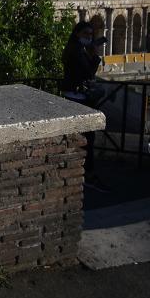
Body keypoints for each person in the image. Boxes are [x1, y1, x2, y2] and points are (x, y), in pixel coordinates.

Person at [61, 20, 110, 193]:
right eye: (86, 35)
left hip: (72, 95)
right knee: (88, 137)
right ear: (77, 34)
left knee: (81, 137)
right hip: (77, 97)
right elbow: (88, 73)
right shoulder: (76, 51)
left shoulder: (73, 48)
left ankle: (78, 170)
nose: (89, 38)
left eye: (91, 35)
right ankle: (87, 174)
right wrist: (95, 55)